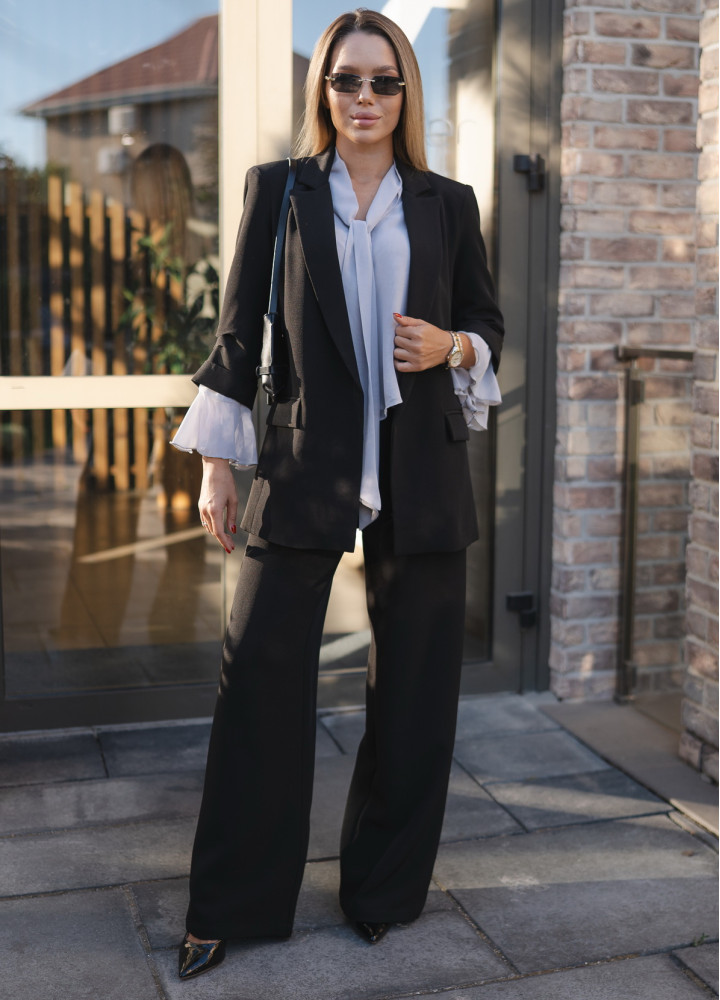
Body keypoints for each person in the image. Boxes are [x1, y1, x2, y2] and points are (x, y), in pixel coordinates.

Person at [171, 7, 503, 981]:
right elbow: (239, 333)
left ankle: (382, 893)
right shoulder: (278, 189)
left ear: (406, 93)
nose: (365, 97)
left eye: (383, 80)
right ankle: (227, 904)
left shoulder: (448, 203)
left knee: (415, 697)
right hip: (302, 464)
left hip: (422, 468)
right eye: (347, 79)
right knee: (257, 684)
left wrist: (454, 346)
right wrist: (217, 461)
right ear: (323, 88)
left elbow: (485, 321)